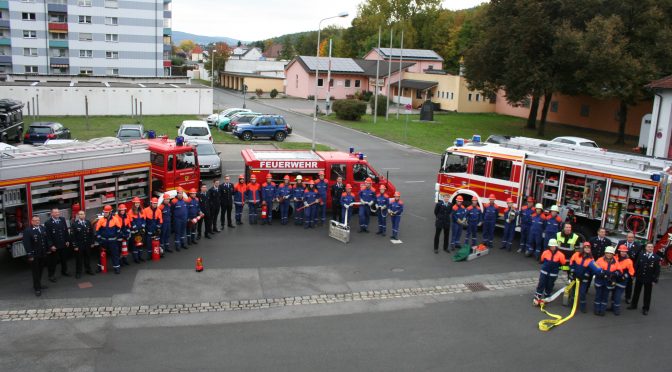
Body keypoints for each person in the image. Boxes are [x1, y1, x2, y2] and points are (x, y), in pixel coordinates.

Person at [628, 243, 660, 315]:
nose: (650, 248)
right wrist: (634, 274)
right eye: (648, 247)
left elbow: (657, 270)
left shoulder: (656, 257)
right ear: (645, 248)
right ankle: (634, 305)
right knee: (636, 292)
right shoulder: (641, 255)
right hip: (640, 277)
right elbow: (637, 265)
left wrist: (655, 280)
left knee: (647, 294)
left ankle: (645, 308)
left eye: (651, 247)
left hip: (649, 279)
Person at [570, 242, 601, 313]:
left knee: (583, 292)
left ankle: (583, 307)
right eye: (586, 247)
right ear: (583, 248)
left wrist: (588, 273)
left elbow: (595, 269)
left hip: (584, 279)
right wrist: (572, 270)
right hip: (575, 277)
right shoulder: (576, 254)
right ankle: (572, 304)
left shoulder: (591, 259)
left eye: (588, 248)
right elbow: (572, 262)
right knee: (574, 291)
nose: (587, 249)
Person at [533, 239, 566, 305]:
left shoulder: (560, 255)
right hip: (544, 272)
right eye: (551, 246)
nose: (552, 247)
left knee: (549, 285)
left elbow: (563, 263)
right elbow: (542, 260)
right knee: (541, 283)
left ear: (556, 246)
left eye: (553, 246)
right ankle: (537, 296)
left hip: (553, 274)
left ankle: (547, 297)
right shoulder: (545, 252)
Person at [23, 216, 49, 296]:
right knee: (35, 272)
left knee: (41, 270)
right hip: (34, 255)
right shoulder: (28, 231)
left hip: (42, 254)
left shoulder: (42, 228)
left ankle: (38, 284)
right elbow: (27, 244)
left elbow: (45, 240)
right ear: (32, 222)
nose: (37, 222)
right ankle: (37, 288)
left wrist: (47, 250)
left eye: (38, 220)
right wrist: (30, 255)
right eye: (35, 220)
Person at [593, 246, 622, 316]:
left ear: (613, 254)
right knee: (598, 296)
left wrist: (614, 274)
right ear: (605, 253)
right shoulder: (600, 260)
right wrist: (600, 273)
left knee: (605, 297)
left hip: (608, 282)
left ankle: (602, 310)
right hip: (599, 281)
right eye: (607, 253)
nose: (609, 254)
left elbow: (620, 271)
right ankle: (597, 309)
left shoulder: (615, 262)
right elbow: (594, 267)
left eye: (610, 253)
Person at [44, 208, 71, 281]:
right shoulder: (48, 223)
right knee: (53, 261)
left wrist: (67, 240)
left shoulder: (62, 219)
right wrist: (51, 245)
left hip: (63, 244)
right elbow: (48, 236)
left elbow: (65, 230)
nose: (57, 214)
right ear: (51, 214)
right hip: (55, 246)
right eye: (55, 213)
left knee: (64, 259)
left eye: (58, 212)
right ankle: (51, 275)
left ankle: (64, 271)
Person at [95, 205, 122, 274]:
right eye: (104, 212)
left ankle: (117, 268)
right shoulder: (101, 220)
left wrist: (116, 237)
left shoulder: (115, 219)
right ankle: (100, 267)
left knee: (115, 254)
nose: (105, 213)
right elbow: (97, 230)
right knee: (101, 255)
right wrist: (99, 238)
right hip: (104, 241)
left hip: (112, 241)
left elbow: (119, 229)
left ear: (110, 212)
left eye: (107, 212)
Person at [71, 210, 95, 278]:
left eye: (83, 214)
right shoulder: (75, 224)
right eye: (80, 214)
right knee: (79, 259)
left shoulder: (88, 222)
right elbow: (73, 236)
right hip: (79, 245)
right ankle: (78, 272)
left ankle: (88, 269)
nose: (82, 215)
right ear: (78, 215)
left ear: (85, 215)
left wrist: (92, 242)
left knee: (87, 257)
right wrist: (75, 245)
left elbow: (91, 233)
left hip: (87, 244)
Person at [612, 245, 635, 314]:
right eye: (622, 251)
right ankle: (612, 307)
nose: (623, 253)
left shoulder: (629, 261)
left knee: (617, 295)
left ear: (626, 252)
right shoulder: (615, 258)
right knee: (613, 294)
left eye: (624, 252)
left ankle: (616, 309)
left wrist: (625, 276)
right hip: (615, 279)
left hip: (622, 280)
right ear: (619, 251)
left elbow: (632, 272)